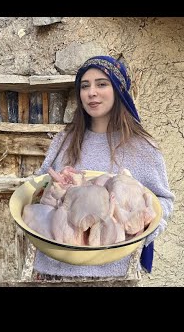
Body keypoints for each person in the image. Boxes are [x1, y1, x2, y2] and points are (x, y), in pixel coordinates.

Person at [32, 55, 174, 279]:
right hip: (54, 269)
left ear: (119, 89)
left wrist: (136, 227)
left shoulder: (142, 147)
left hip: (112, 273)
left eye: (101, 84)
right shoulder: (65, 140)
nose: (91, 93)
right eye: (85, 86)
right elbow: (38, 188)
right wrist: (54, 187)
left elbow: (163, 200)